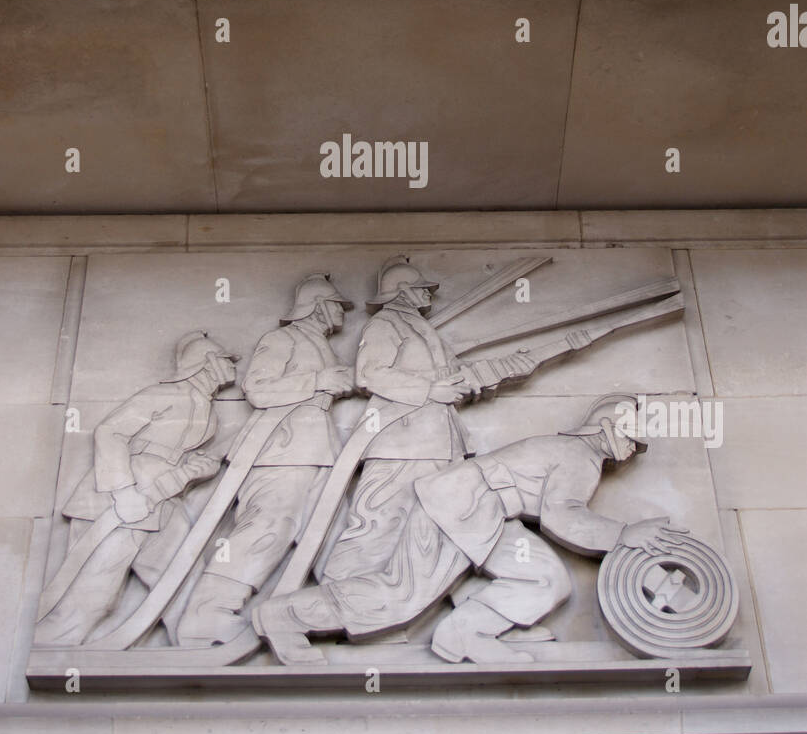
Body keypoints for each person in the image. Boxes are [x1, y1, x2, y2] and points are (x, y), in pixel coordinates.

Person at [252, 394, 687, 665]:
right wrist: (623, 534)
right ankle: (283, 615)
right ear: (605, 429)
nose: (635, 447)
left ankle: (465, 632)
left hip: (487, 514)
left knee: (544, 578)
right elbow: (563, 518)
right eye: (631, 436)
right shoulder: (578, 457)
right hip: (460, 508)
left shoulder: (577, 454)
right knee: (398, 596)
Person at [176, 274, 354, 646]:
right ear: (319, 305)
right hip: (281, 450)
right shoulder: (282, 339)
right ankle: (207, 614)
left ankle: (339, 613)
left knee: (330, 530)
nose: (341, 311)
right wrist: (320, 380)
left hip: (316, 448)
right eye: (337, 303)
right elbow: (257, 388)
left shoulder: (317, 343)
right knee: (267, 527)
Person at [34, 331, 239, 647]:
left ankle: (196, 639)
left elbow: (171, 452)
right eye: (226, 359)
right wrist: (123, 491)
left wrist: (198, 468)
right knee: (96, 594)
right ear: (208, 362)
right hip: (121, 503)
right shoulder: (164, 395)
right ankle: (55, 648)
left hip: (164, 500)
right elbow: (110, 432)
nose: (232, 366)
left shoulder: (205, 406)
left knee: (183, 574)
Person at [321, 255, 473, 582]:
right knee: (379, 520)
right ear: (404, 290)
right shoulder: (384, 324)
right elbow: (369, 374)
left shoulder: (420, 327)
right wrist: (430, 389)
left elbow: (452, 375)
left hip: (437, 441)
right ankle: (336, 593)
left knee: (435, 524)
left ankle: (409, 602)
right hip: (400, 442)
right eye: (422, 288)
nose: (429, 294)